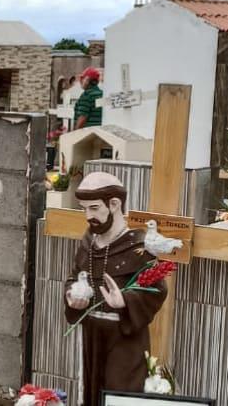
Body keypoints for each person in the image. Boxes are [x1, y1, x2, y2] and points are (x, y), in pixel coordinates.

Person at [64, 172, 167, 406]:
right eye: (84, 209)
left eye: (94, 208)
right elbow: (73, 278)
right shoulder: (88, 242)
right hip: (92, 335)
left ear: (114, 204)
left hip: (125, 338)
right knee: (91, 395)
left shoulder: (140, 247)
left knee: (118, 398)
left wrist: (126, 301)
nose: (88, 216)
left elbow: (157, 289)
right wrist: (72, 296)